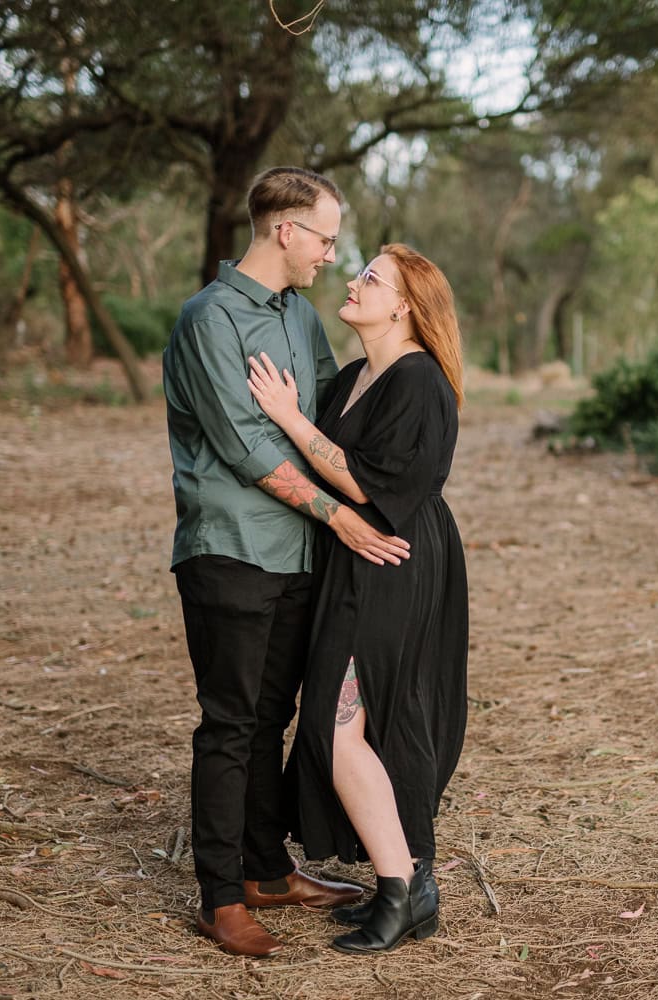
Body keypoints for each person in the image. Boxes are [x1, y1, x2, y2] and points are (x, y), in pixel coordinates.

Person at [162, 167, 412, 959]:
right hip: (231, 550)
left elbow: (327, 413)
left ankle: (268, 869)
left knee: (274, 717)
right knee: (232, 724)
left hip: (300, 556)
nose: (332, 255)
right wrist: (342, 516)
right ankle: (220, 895)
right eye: (326, 239)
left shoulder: (299, 317)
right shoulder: (209, 320)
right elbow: (246, 447)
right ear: (284, 231)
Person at [247, 243, 469, 953]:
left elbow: (368, 482)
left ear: (404, 306)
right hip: (357, 557)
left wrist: (289, 416)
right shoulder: (354, 379)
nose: (353, 280)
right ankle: (410, 887)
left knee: (339, 729)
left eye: (370, 277)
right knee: (355, 728)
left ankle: (402, 893)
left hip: (393, 558)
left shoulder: (418, 382)